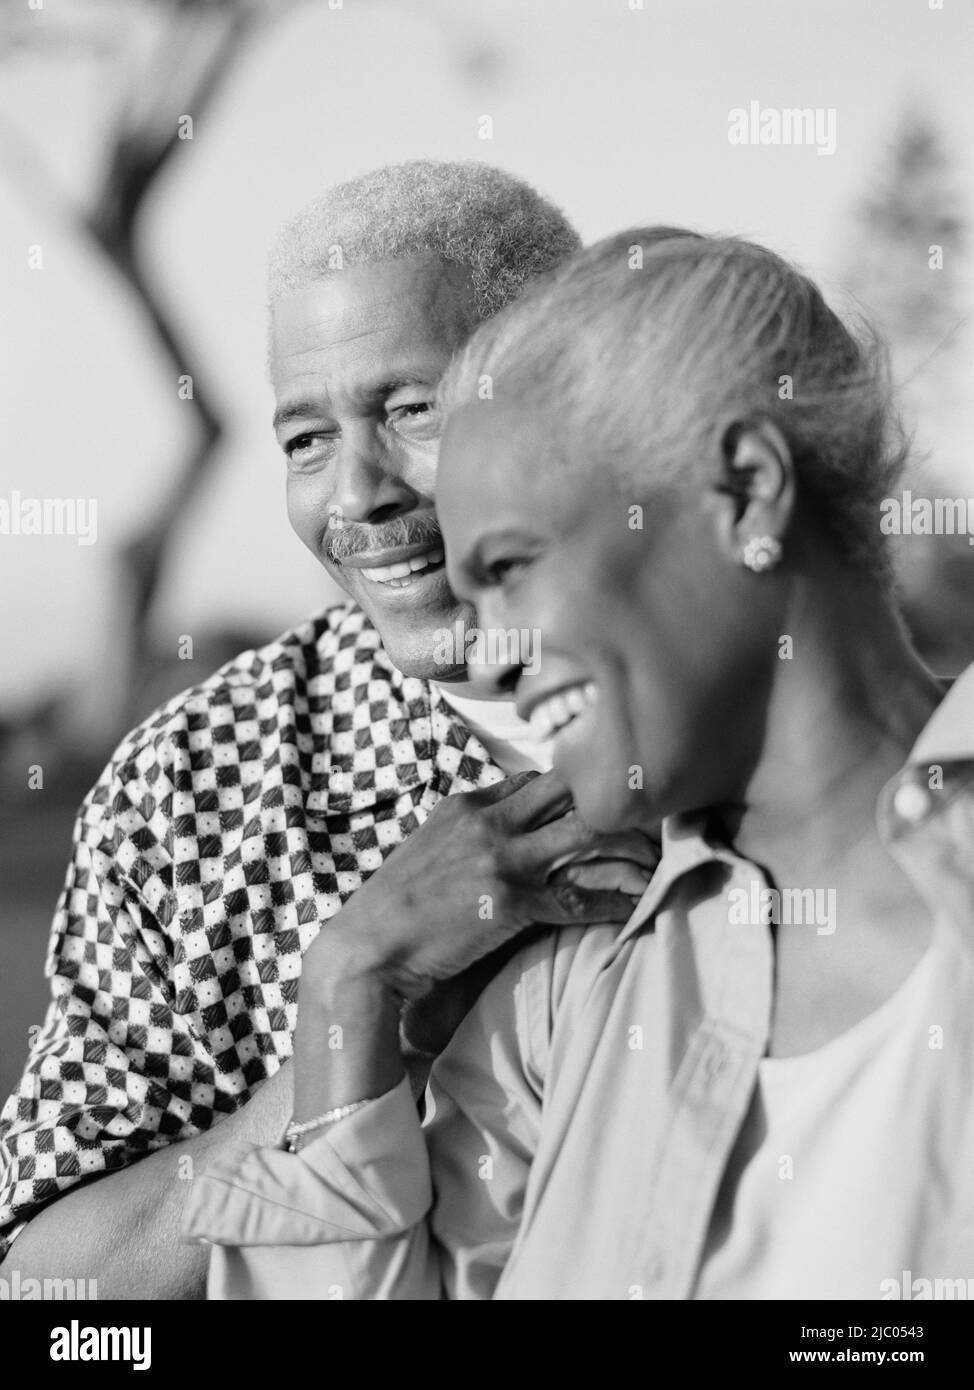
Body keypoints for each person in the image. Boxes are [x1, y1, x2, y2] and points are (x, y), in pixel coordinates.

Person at [185, 229, 974, 1299]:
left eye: (509, 568)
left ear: (743, 491)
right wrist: (347, 988)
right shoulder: (568, 997)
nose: (490, 650)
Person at [0, 164, 655, 1299]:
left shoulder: (755, 716)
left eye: (411, 412)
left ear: (575, 395)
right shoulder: (197, 787)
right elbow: (52, 1295)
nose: (353, 496)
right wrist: (355, 1009)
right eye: (304, 440)